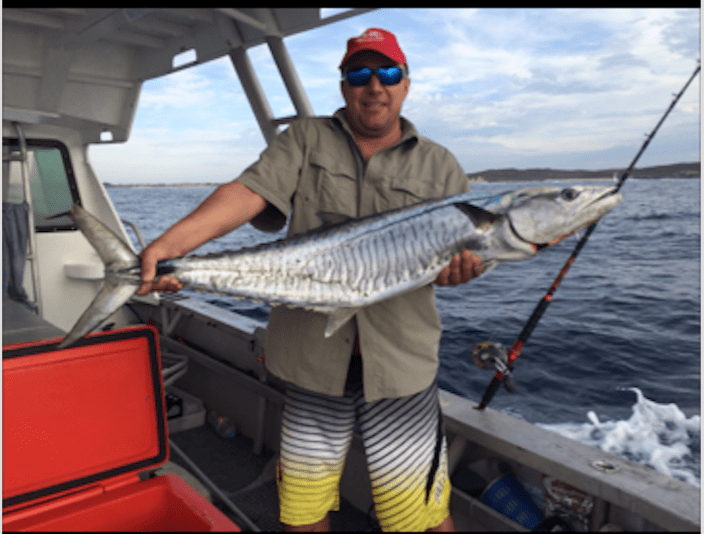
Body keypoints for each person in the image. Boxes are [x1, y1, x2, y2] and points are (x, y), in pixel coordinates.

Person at [137, 28, 483, 532]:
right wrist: (172, 249)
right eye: (359, 75)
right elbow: (248, 193)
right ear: (343, 86)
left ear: (406, 83)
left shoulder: (440, 164)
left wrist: (462, 271)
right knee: (302, 507)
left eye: (387, 73)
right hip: (313, 360)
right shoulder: (303, 139)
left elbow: (457, 257)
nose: (374, 86)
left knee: (420, 517)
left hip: (401, 365)